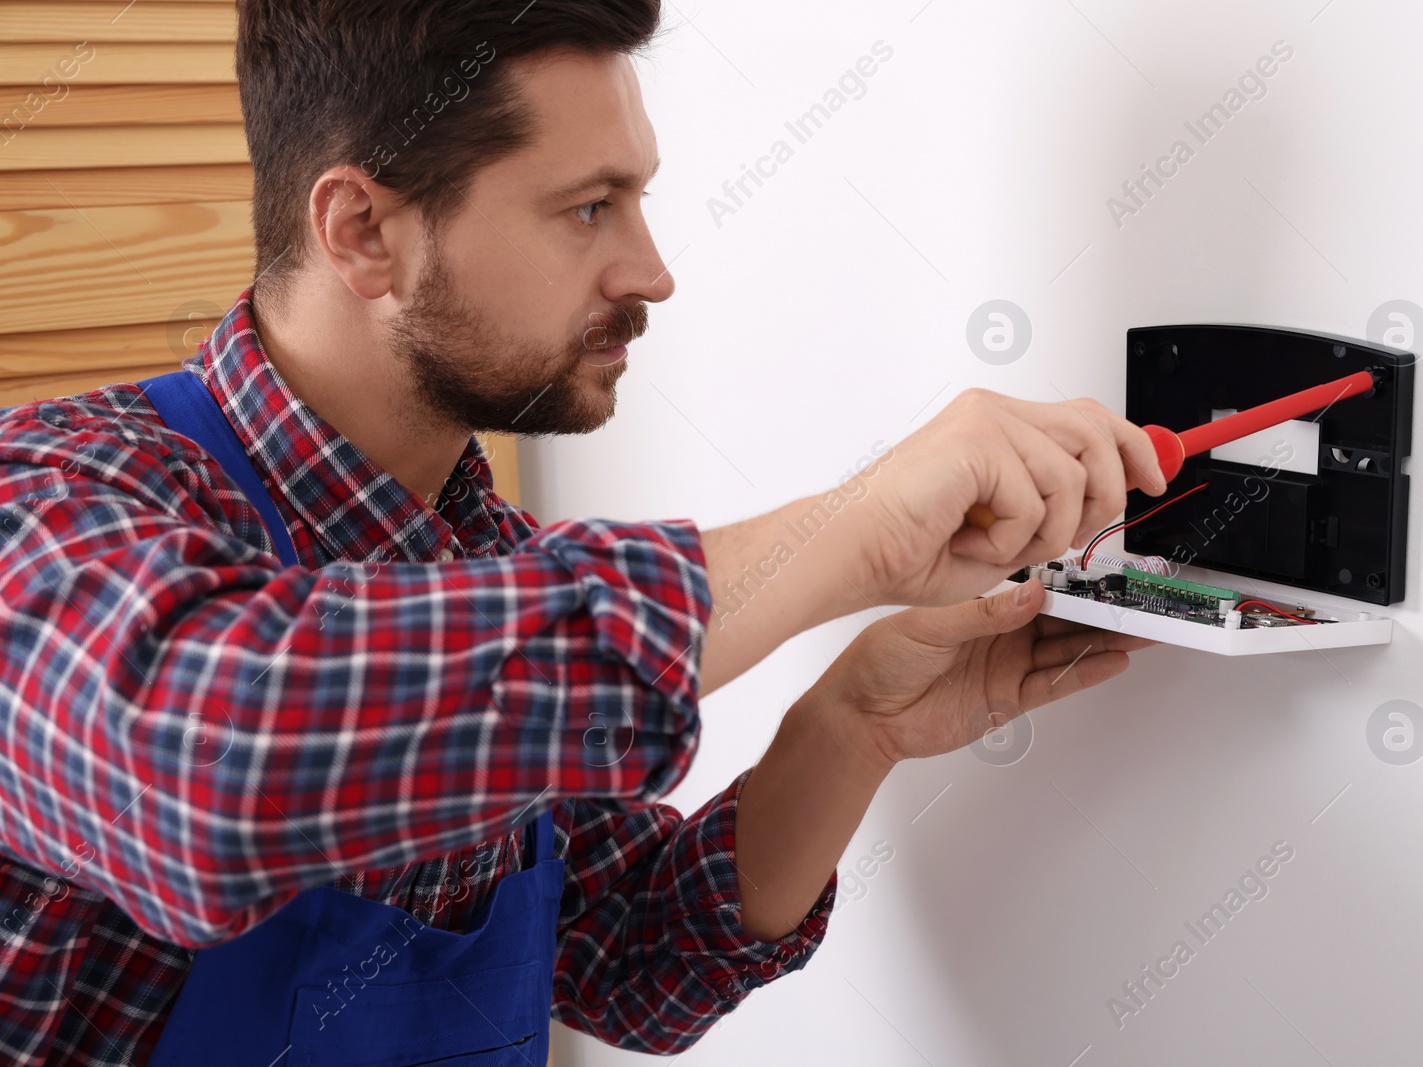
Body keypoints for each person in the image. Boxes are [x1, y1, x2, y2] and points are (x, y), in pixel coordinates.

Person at [0, 2, 1168, 1064]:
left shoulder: (489, 570)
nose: (651, 271)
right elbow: (213, 763)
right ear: (361, 230)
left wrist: (853, 720)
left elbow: (634, 959)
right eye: (588, 207)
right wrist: (840, 537)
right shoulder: (52, 502)